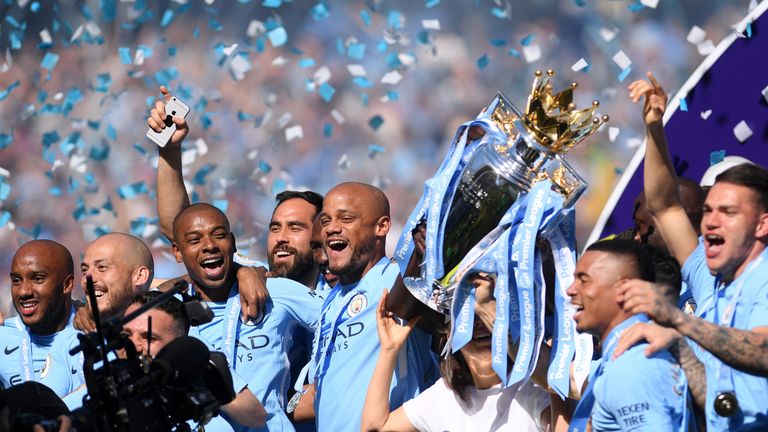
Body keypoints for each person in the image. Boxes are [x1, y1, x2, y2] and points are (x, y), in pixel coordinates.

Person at [617, 72, 768, 430]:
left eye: (728, 213)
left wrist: (681, 323)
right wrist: (655, 128)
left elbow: (762, 351)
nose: (711, 222)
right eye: (709, 210)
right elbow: (665, 206)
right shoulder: (707, 272)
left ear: (763, 224)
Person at [172, 202, 323, 431]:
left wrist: (325, 382)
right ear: (177, 251)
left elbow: (344, 317)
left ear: (232, 243)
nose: (209, 245)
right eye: (195, 240)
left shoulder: (275, 291)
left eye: (219, 235)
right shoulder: (170, 314)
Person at [304, 182, 439, 432]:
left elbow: (403, 296)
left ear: (382, 226)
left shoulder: (393, 280)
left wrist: (420, 256)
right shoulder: (331, 301)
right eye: (325, 221)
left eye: (346, 218)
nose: (332, 228)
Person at [361, 276, 552, 432]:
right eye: (468, 315)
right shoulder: (444, 396)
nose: (478, 323)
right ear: (449, 333)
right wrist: (389, 349)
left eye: (486, 310)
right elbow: (374, 428)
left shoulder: (535, 388)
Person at [567, 239, 690, 432]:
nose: (571, 290)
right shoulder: (628, 357)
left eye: (583, 280)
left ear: (623, 290)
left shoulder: (632, 365)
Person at [122, 291, 267, 430]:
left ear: (180, 347)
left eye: (149, 338)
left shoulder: (199, 371)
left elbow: (256, 415)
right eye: (125, 335)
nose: (133, 346)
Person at [0, 240, 83, 397]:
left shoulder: (93, 335)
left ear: (67, 284)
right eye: (16, 280)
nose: (23, 292)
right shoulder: (2, 336)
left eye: (37, 278)